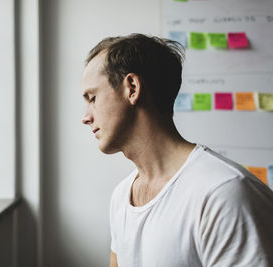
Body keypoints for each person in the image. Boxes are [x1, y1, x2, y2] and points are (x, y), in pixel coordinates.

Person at [81, 33, 273, 267]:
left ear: (132, 88)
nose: (85, 117)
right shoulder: (121, 197)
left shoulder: (225, 194)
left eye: (92, 98)